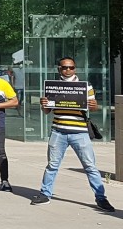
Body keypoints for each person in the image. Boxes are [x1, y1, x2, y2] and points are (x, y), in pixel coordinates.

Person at [31, 57, 114, 210]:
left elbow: (93, 108)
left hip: (80, 132)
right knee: (52, 165)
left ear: (75, 68)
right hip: (58, 131)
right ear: (59, 69)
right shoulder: (52, 87)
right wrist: (43, 105)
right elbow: (47, 111)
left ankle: (101, 198)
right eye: (64, 68)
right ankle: (45, 194)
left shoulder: (85, 86)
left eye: (71, 67)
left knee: (90, 166)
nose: (67, 70)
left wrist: (95, 106)